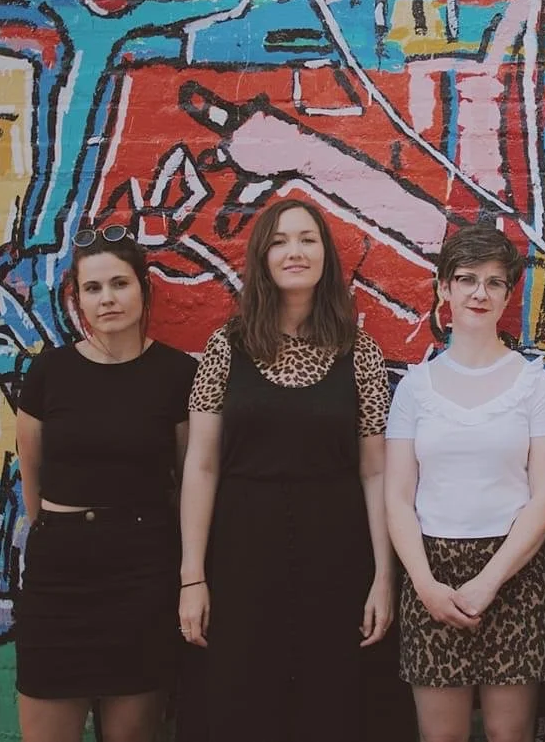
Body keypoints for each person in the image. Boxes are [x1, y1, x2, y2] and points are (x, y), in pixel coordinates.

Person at [178, 198, 397, 741]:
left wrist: (383, 576)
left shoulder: (360, 352)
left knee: (333, 708)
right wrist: (192, 577)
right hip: (241, 562)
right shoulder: (225, 348)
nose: (293, 251)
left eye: (307, 239)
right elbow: (200, 467)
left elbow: (376, 473)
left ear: (326, 255)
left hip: (338, 562)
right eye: (278, 241)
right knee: (242, 706)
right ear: (260, 258)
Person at [15, 224, 197, 742]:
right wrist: (55, 535)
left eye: (119, 283)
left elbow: (188, 480)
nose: (107, 299)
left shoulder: (176, 374)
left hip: (141, 575)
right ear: (78, 300)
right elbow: (33, 471)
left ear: (144, 288)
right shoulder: (49, 372)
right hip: (59, 577)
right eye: (92, 289)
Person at [384, 225, 545, 742]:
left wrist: (490, 581)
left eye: (493, 282)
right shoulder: (415, 389)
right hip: (431, 574)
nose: (479, 293)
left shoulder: (535, 384)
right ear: (444, 288)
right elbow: (397, 497)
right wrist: (424, 586)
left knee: (510, 735)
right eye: (466, 279)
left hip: (513, 572)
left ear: (508, 294)